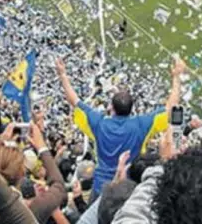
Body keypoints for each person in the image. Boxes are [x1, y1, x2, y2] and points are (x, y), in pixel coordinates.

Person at [56, 55, 186, 196]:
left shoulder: (99, 123)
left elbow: (74, 100)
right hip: (129, 187)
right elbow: (170, 109)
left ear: (111, 107)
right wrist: (176, 77)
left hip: (101, 187)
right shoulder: (141, 124)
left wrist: (62, 74)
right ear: (131, 109)